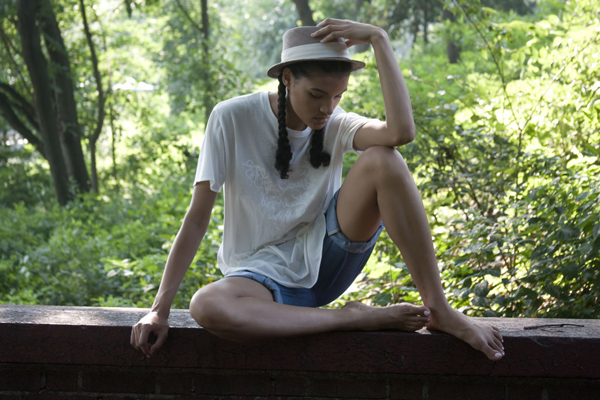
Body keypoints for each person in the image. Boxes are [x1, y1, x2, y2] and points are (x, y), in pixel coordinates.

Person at [130, 19, 505, 361]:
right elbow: (197, 219)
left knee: (384, 159)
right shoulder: (231, 117)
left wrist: (378, 39)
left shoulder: (336, 124)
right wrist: (159, 310)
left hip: (327, 260)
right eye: (317, 94)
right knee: (207, 306)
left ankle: (439, 309)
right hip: (258, 279)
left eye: (338, 96)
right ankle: (352, 318)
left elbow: (400, 133)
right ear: (287, 78)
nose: (327, 108)